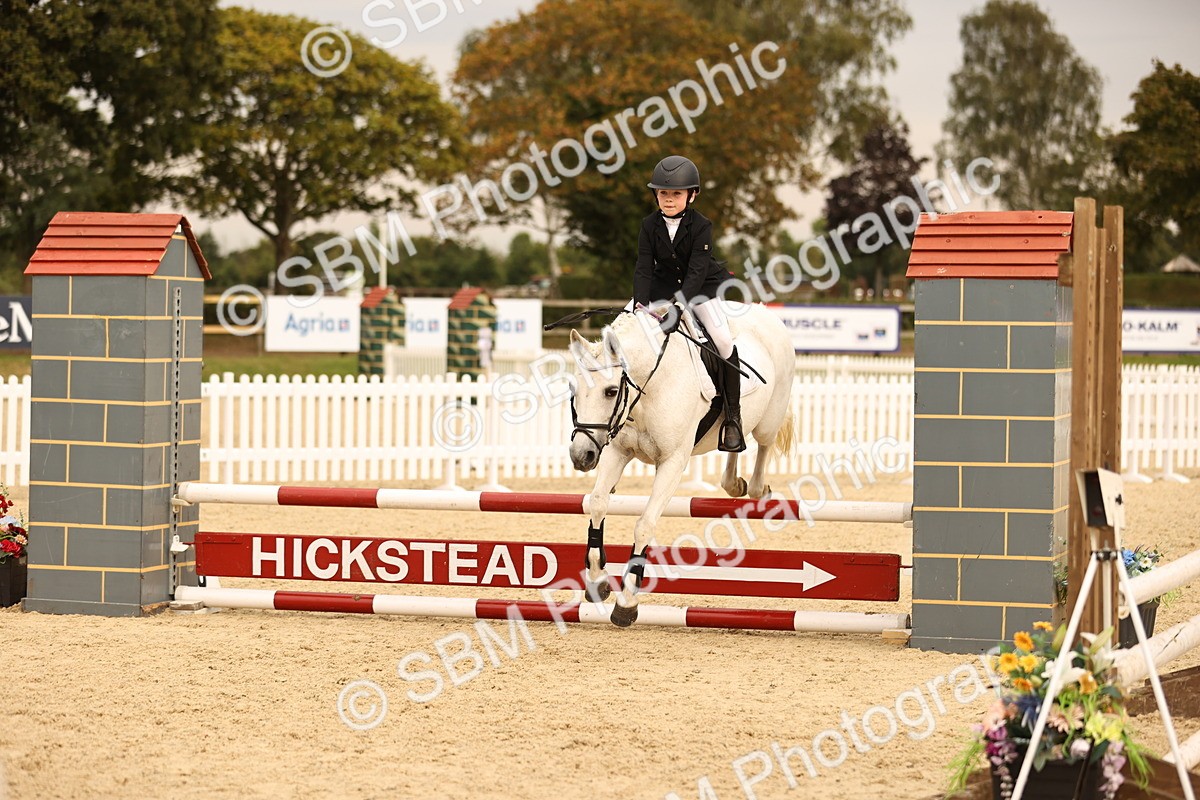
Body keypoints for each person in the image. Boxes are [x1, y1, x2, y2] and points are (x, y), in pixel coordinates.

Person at [632, 155, 744, 452]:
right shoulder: (648, 225)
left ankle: (733, 418)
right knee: (627, 326)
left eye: (676, 194)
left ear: (691, 195)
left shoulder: (701, 225)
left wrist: (679, 308)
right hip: (663, 285)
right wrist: (639, 309)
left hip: (700, 287)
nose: (668, 199)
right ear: (656, 194)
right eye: (663, 193)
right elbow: (644, 267)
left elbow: (696, 272)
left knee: (722, 341)